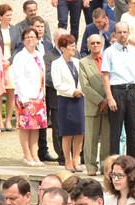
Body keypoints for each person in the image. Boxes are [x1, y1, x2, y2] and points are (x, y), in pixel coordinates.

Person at [101, 22, 135, 159]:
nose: (122, 35)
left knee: (132, 130)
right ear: (114, 34)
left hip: (131, 91)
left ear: (128, 33)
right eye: (119, 32)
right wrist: (109, 98)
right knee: (116, 131)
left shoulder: (134, 51)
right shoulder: (109, 52)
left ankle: (131, 162)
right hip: (117, 91)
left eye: (125, 32)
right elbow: (105, 75)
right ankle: (113, 162)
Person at [12, 27, 48, 166]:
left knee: (36, 127)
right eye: (27, 37)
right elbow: (19, 78)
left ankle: (34, 154)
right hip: (25, 97)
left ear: (37, 39)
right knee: (25, 126)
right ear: (23, 40)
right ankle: (27, 155)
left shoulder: (39, 54)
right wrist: (24, 98)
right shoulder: (20, 57)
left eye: (33, 37)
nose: (30, 39)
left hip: (39, 97)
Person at [50, 33, 85, 173]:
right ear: (63, 48)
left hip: (80, 99)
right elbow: (57, 84)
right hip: (66, 100)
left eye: (74, 45)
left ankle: (76, 158)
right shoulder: (56, 64)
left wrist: (80, 90)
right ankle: (68, 160)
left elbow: (83, 79)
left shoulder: (77, 62)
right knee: (68, 132)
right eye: (71, 46)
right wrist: (72, 91)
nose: (74, 48)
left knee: (80, 131)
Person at [79, 34, 111, 176]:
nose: (95, 45)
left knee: (107, 138)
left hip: (109, 104)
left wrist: (108, 99)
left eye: (98, 42)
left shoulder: (108, 59)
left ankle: (105, 165)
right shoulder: (83, 62)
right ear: (88, 45)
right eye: (92, 43)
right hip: (93, 105)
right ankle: (91, 166)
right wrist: (100, 101)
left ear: (102, 44)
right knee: (91, 138)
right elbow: (85, 86)